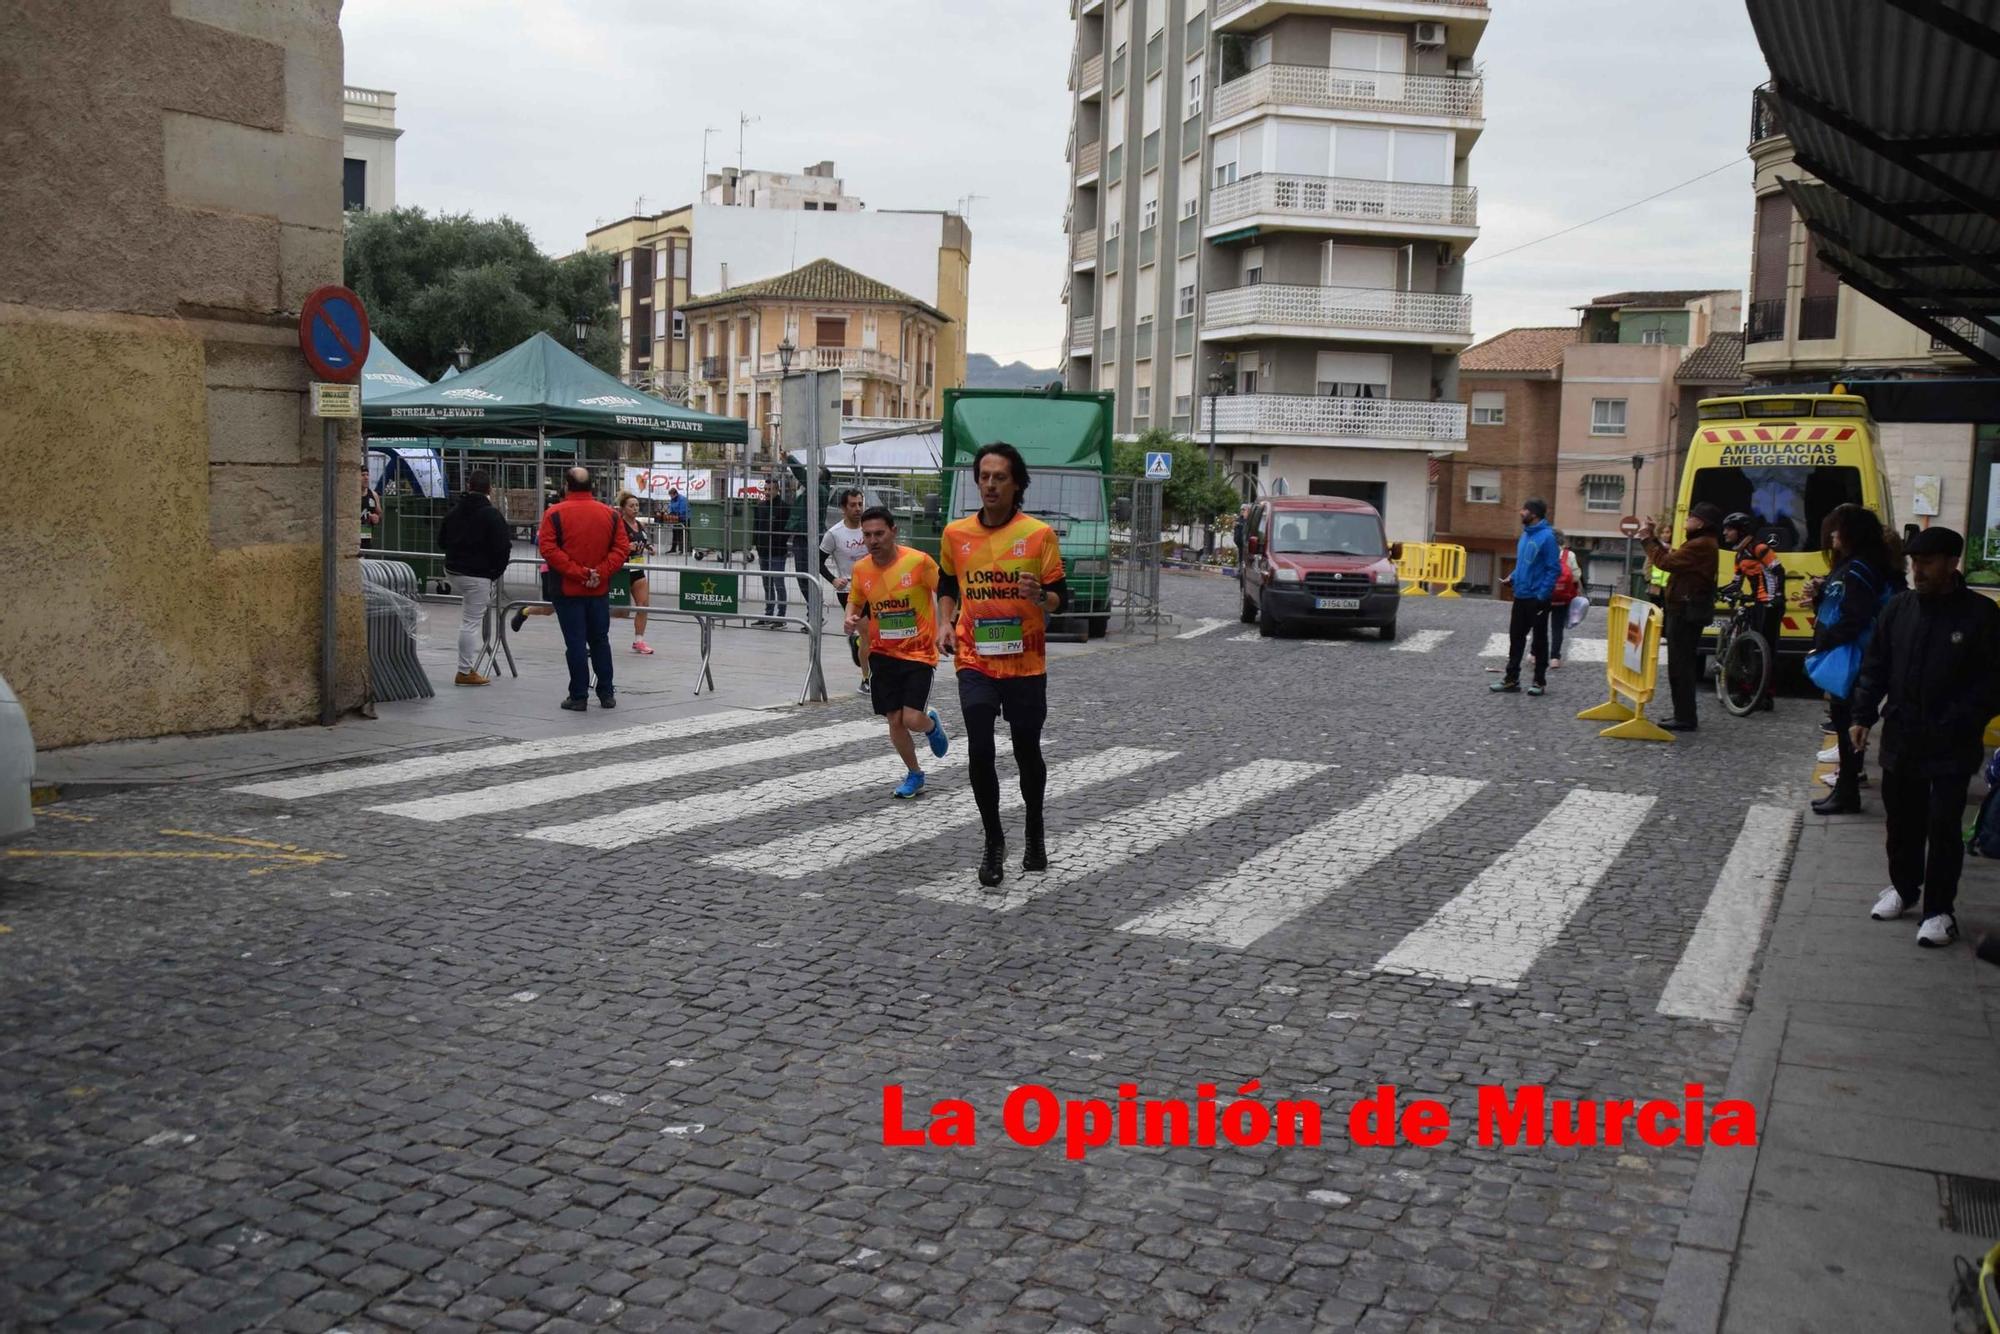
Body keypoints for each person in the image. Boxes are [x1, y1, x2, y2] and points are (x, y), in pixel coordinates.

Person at [1850, 526, 2000, 947]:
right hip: (1902, 734)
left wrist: (1958, 717)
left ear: (1953, 563)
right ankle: (1903, 886)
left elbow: (1992, 682)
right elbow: (1876, 664)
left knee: (1943, 825)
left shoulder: (1980, 616)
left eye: (1928, 563)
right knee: (1901, 821)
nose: (1919, 571)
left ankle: (1939, 910)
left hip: (1952, 742)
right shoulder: (1899, 608)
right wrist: (1863, 713)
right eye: (1915, 563)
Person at [939, 442, 1068, 890]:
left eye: (1000, 477)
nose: (990, 484)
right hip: (974, 657)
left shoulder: (1039, 535)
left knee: (1026, 750)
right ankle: (994, 841)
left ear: (1017, 485)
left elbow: (1060, 598)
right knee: (978, 742)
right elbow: (947, 583)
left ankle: (1034, 828)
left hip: (1026, 661)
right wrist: (943, 621)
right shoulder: (956, 534)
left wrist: (1040, 597)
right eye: (984, 476)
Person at [843, 506, 951, 799]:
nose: (873, 540)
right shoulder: (861, 568)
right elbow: (856, 600)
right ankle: (915, 774)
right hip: (882, 653)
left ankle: (930, 725)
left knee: (912, 719)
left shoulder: (919, 562)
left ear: (894, 531)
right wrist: (850, 617)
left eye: (879, 533)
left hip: (918, 653)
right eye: (867, 535)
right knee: (894, 720)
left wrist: (947, 624)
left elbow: (946, 592)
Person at [1806, 504, 1900, 813]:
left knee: (1847, 727)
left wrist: (1826, 641)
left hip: (1851, 656)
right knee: (1844, 725)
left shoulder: (1859, 568)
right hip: (1850, 654)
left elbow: (1854, 615)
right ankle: (1844, 790)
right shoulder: (1858, 564)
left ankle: (1847, 793)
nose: (1832, 534)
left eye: (1838, 528)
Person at [537, 466, 629, 712]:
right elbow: (621, 549)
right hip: (598, 590)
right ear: (593, 487)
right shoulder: (610, 515)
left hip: (567, 590)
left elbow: (548, 549)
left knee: (576, 643)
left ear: (566, 486)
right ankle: (606, 693)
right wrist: (600, 572)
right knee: (600, 640)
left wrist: (579, 573)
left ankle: (578, 696)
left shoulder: (553, 514)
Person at [1639, 502, 1723, 732]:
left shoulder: (1701, 545)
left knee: (1681, 666)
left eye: (1691, 517)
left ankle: (1685, 717)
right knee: (1679, 664)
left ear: (1701, 522)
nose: (1687, 520)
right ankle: (1682, 714)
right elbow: (1672, 556)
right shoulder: (1700, 543)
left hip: (1686, 611)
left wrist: (1647, 539)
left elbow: (1666, 562)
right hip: (1683, 608)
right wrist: (1654, 538)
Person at [437, 470, 514, 687]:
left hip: (453, 571)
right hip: (478, 575)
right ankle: (464, 671)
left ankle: (466, 669)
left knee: (468, 618)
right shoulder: (492, 515)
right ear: (489, 489)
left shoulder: (453, 512)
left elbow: (441, 541)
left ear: (469, 486)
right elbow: (503, 547)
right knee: (470, 623)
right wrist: (494, 574)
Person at [1491, 498, 1559, 696]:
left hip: (1536, 598)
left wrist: (1542, 595)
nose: (1521, 512)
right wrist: (1512, 578)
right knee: (1516, 639)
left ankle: (1539, 681)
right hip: (1520, 595)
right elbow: (1523, 565)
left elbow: (1553, 569)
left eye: (1525, 510)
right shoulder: (1525, 535)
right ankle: (1511, 679)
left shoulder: (1547, 537)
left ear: (1534, 514)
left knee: (1539, 641)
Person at [1719, 511, 1784, 711]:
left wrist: (1777, 597)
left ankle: (1766, 694)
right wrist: (1719, 591)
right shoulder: (1739, 554)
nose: (1725, 533)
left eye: (1728, 529)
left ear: (1740, 531)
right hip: (1758, 602)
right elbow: (1736, 583)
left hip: (1771, 603)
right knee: (1749, 649)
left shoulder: (1760, 548)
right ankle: (1747, 689)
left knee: (1766, 649)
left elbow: (1778, 571)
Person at [819, 488, 871, 692]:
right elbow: (818, 561)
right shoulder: (834, 534)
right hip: (849, 590)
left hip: (874, 588)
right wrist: (833, 580)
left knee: (875, 634)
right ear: (843, 508)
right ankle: (866, 680)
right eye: (853, 505)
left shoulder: (869, 528)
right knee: (867, 633)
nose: (858, 508)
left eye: (860, 504)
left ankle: (857, 642)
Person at [613, 491, 656, 654]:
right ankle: (596, 638)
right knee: (617, 611)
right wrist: (625, 548)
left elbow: (643, 540)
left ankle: (639, 641)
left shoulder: (639, 524)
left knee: (643, 605)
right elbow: (612, 544)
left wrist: (649, 547)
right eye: (631, 506)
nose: (635, 508)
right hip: (621, 571)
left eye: (637, 505)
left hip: (637, 570)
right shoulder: (618, 525)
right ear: (623, 509)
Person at [756, 479, 790, 626]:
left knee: (778, 583)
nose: (768, 492)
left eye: (771, 489)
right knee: (767, 584)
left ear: (778, 490)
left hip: (777, 552)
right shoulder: (761, 506)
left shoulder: (783, 507)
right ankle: (768, 613)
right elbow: (756, 526)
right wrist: (756, 544)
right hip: (763, 550)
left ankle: (781, 617)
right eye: (766, 489)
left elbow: (787, 529)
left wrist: (779, 542)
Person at [1547, 531, 1582, 669]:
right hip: (1562, 598)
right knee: (1557, 628)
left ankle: (1535, 654)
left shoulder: (1544, 552)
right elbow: (1576, 576)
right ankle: (1555, 657)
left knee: (1540, 625)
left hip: (1545, 595)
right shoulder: (1570, 555)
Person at [666, 486, 689, 554]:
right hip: (676, 518)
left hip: (683, 518)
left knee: (681, 533)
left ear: (675, 494)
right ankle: (673, 548)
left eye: (671, 495)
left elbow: (682, 510)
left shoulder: (682, 499)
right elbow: (671, 507)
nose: (671, 497)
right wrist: (671, 513)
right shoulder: (672, 500)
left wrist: (676, 514)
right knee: (675, 533)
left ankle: (682, 549)